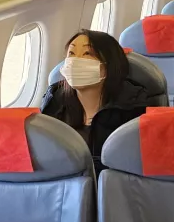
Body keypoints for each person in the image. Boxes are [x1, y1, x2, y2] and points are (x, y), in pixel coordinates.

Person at [41, 30, 148, 174]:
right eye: (71, 53)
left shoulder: (132, 107)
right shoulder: (54, 102)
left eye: (87, 54)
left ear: (108, 65)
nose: (75, 61)